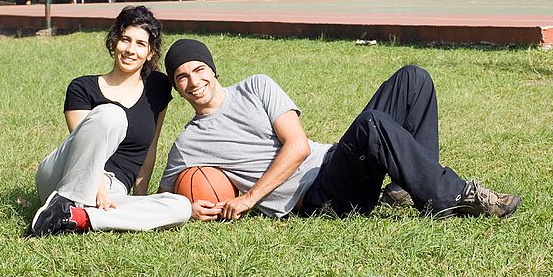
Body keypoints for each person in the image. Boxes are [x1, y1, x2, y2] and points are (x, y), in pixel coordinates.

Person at [157, 39, 521, 221]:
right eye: (181, 77)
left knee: (413, 79)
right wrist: (190, 208)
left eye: (198, 70)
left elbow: (297, 146)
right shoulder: (190, 142)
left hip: (329, 162)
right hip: (319, 197)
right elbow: (162, 195)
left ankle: (403, 190)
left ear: (213, 69)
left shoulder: (256, 86)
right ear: (177, 87)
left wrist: (250, 197)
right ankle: (454, 196)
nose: (193, 81)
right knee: (371, 125)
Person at [28, 5, 192, 237]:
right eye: (125, 40)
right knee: (111, 114)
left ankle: (76, 217)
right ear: (114, 42)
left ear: (150, 53)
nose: (130, 50)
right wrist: (98, 188)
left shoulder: (157, 87)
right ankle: (67, 203)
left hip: (115, 189)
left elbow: (150, 147)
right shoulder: (82, 87)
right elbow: (83, 149)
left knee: (181, 207)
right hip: (65, 174)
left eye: (140, 44)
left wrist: (139, 199)